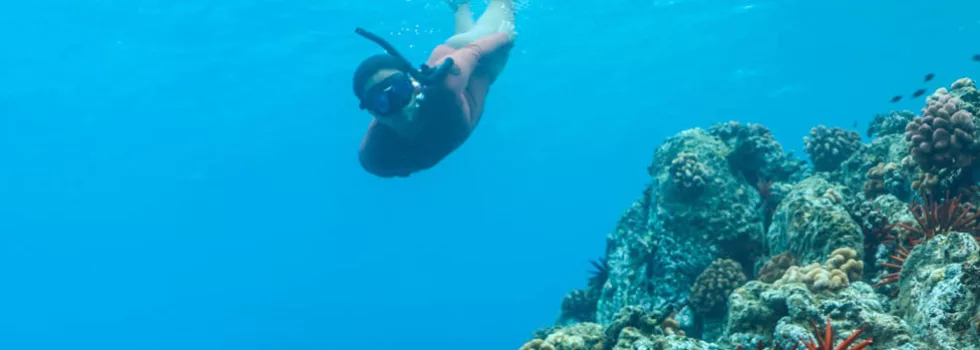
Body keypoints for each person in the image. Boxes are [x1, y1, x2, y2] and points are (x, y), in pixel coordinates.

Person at [352, 0, 517, 178]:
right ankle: (461, 7)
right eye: (383, 102)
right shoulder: (375, 156)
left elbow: (474, 51)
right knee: (466, 38)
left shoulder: (445, 85)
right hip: (458, 68)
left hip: (479, 62)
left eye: (400, 91)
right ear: (373, 111)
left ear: (413, 87)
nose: (400, 107)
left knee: (503, 5)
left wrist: (504, 37)